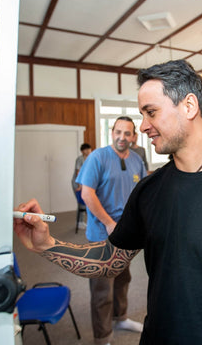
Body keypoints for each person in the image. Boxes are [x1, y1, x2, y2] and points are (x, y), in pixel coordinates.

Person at [14, 59, 202, 345]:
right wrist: (46, 244)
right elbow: (109, 260)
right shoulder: (149, 190)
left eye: (151, 112)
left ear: (189, 106)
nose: (142, 127)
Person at [76, 116, 146, 345]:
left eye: (127, 133)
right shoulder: (98, 157)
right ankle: (103, 337)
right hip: (101, 236)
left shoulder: (137, 160)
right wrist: (108, 223)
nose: (122, 137)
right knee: (102, 290)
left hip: (126, 236)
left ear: (133, 137)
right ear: (111, 132)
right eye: (118, 132)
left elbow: (142, 193)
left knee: (123, 279)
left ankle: (120, 318)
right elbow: (87, 194)